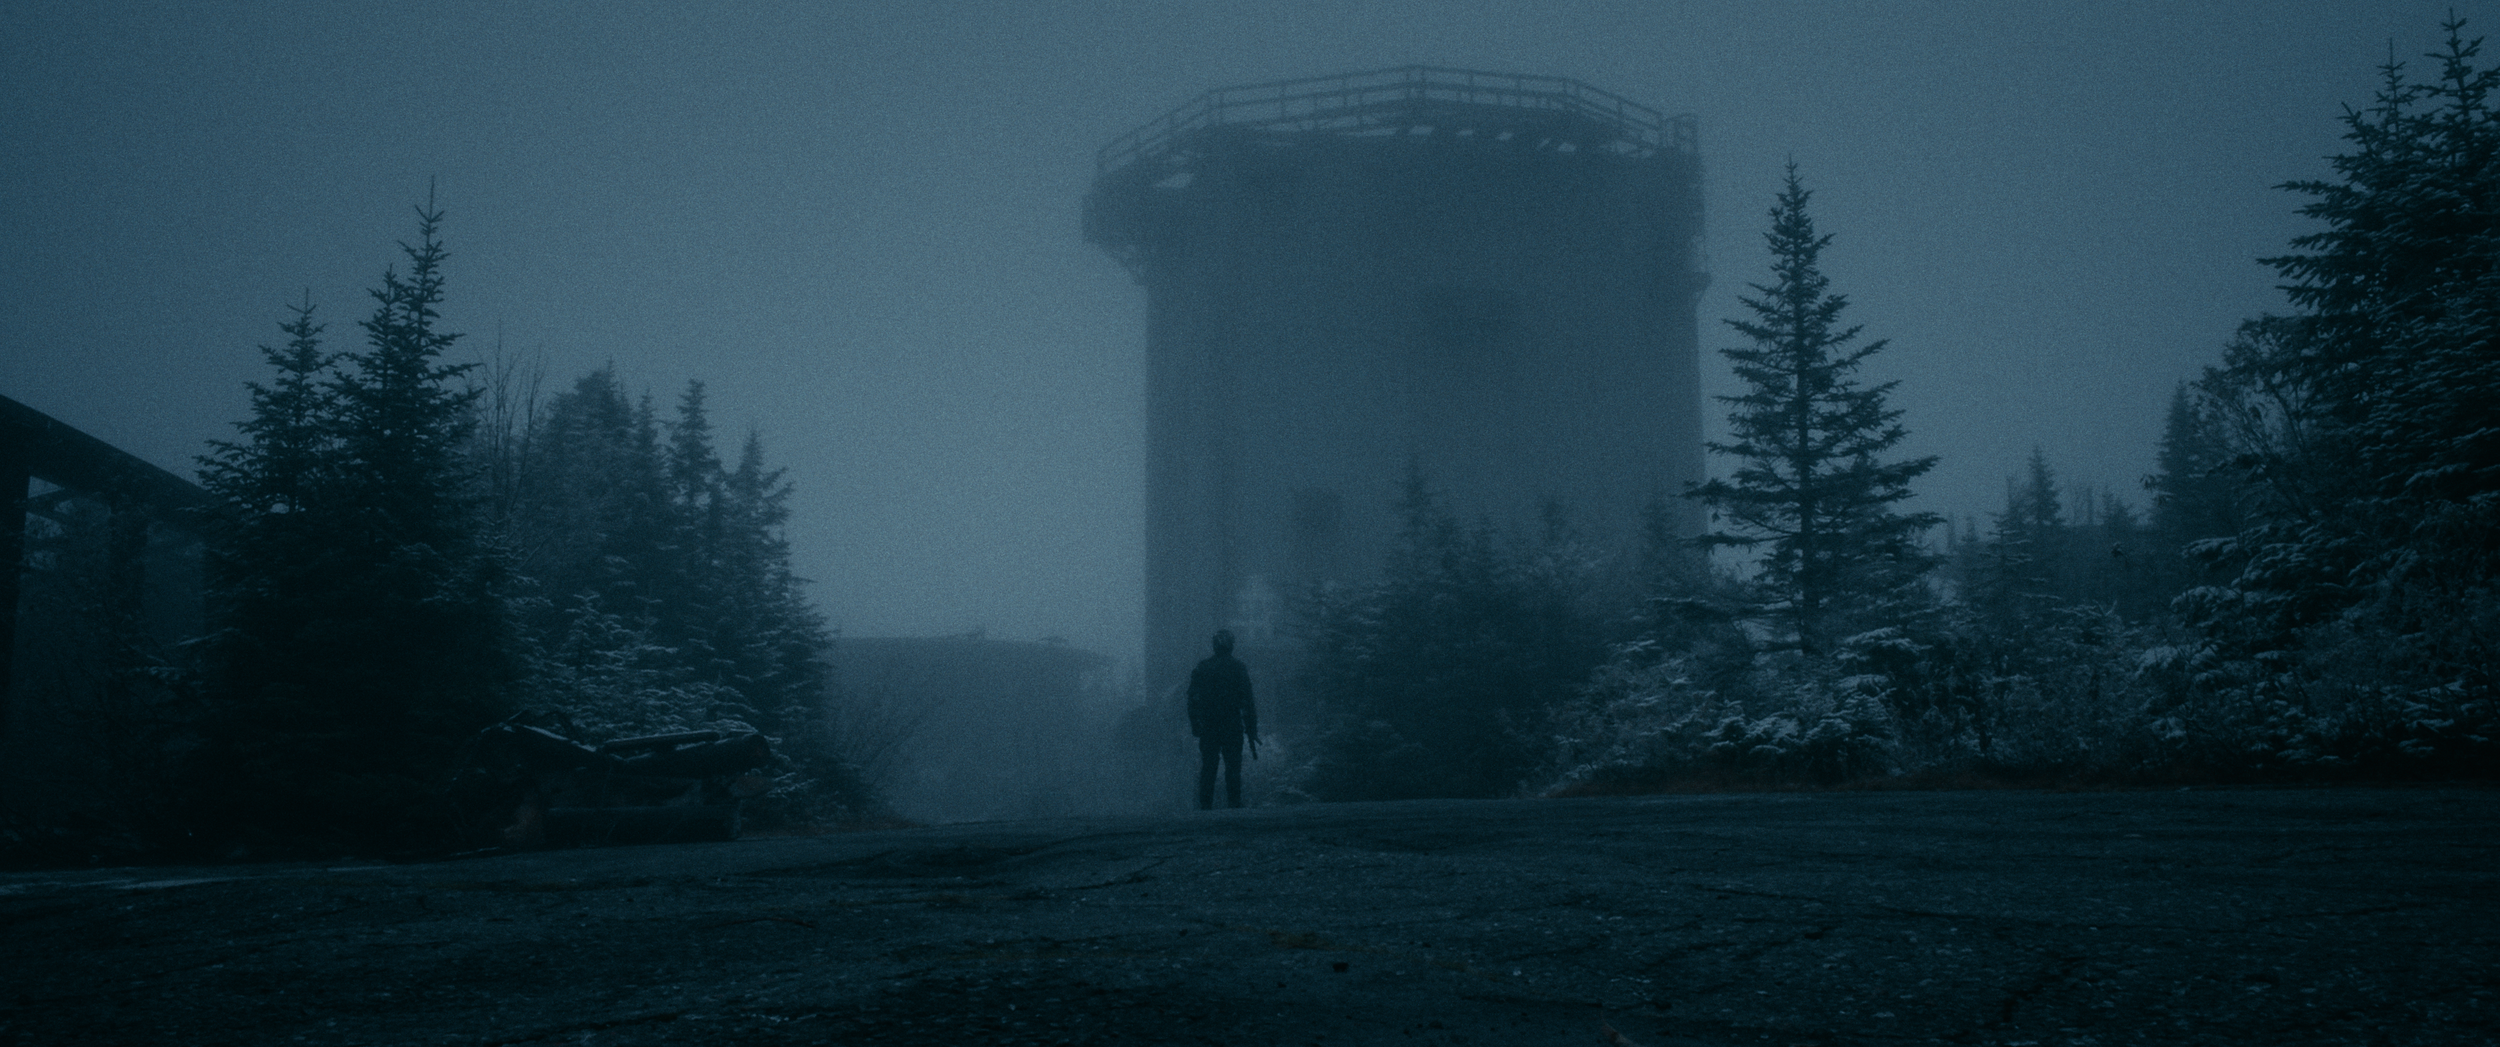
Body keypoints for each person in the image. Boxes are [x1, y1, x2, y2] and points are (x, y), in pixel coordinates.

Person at [1186, 629, 1258, 809]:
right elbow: (1247, 701)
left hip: (1210, 726)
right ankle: (1234, 805)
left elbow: (1192, 699)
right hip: (1231, 725)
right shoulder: (1238, 668)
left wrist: (1195, 724)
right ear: (1231, 645)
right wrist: (1251, 728)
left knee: (1209, 767)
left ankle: (1206, 807)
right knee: (1233, 767)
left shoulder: (1203, 668)